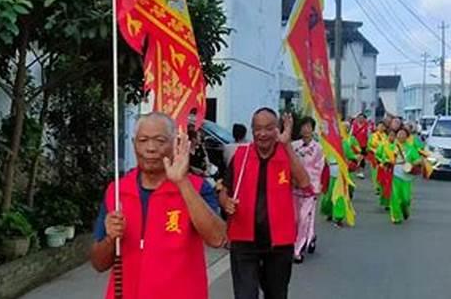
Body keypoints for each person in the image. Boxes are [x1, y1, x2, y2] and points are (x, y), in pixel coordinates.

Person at [90, 113, 226, 299]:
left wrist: (182, 182)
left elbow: (217, 238)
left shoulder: (197, 188)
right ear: (133, 143)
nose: (151, 148)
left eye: (160, 140)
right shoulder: (117, 191)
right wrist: (110, 239)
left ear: (174, 143)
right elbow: (99, 263)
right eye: (143, 140)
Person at [219, 108, 311, 299]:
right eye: (258, 129)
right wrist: (225, 202)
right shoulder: (241, 155)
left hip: (279, 242)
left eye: (269, 128)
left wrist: (286, 146)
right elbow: (224, 190)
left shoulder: (286, 154)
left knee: (276, 294)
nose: (263, 134)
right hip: (243, 240)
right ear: (252, 130)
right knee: (245, 295)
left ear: (277, 130)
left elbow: (303, 182)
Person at [291, 116, 324, 263]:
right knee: (295, 219)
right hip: (293, 188)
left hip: (309, 189)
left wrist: (307, 182)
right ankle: (310, 237)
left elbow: (318, 168)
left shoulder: (318, 148)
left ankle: (297, 250)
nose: (306, 129)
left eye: (309, 126)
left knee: (304, 218)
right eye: (303, 126)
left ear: (312, 128)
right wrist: (294, 180)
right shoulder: (294, 146)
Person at [351, 113, 370, 179]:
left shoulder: (367, 126)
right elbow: (351, 134)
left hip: (363, 145)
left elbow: (369, 136)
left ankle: (361, 172)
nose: (361, 119)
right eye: (359, 117)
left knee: (362, 159)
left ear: (365, 119)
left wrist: (368, 145)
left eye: (362, 118)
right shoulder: (354, 125)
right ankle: (357, 170)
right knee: (356, 158)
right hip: (355, 145)